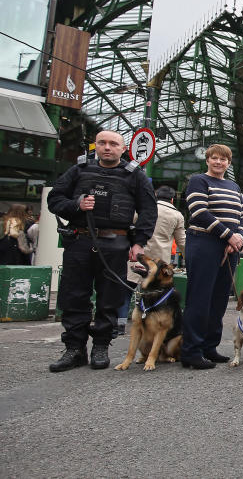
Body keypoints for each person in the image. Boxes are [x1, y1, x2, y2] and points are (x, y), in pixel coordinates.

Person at [46, 130, 157, 372]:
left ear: (123, 148)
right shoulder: (78, 170)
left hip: (115, 244)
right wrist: (76, 204)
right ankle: (74, 349)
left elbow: (149, 211)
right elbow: (54, 200)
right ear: (95, 146)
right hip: (80, 241)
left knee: (109, 298)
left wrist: (139, 242)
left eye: (113, 144)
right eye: (102, 143)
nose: (107, 147)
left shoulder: (135, 176)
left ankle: (100, 347)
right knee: (74, 296)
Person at [181, 144, 243, 369]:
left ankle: (210, 346)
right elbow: (199, 212)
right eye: (214, 158)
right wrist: (229, 235)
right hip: (203, 243)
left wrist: (237, 237)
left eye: (224, 159)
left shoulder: (234, 186)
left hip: (229, 248)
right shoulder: (198, 181)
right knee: (199, 298)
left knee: (219, 299)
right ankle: (191, 351)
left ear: (229, 163)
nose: (219, 162)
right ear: (207, 160)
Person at [117, 185, 187, 336]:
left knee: (126, 289)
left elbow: (129, 225)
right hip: (159, 262)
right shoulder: (177, 215)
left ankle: (120, 324)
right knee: (157, 293)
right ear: (173, 199)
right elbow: (182, 241)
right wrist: (189, 259)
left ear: (155, 195)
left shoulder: (144, 208)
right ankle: (153, 323)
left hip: (138, 254)